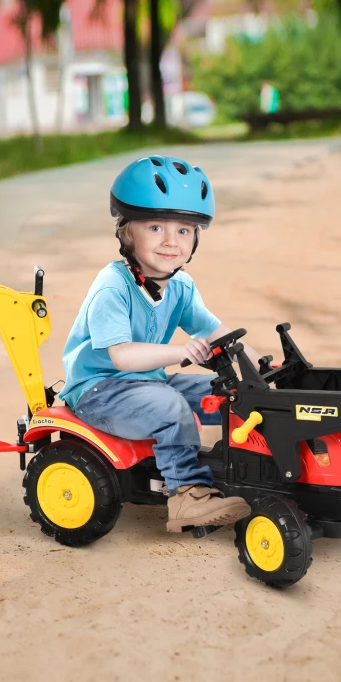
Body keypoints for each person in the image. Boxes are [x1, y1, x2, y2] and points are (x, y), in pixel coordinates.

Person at [60, 156, 261, 533]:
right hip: (99, 391)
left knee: (228, 391)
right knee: (169, 406)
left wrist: (262, 368)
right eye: (155, 227)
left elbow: (215, 329)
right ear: (126, 232)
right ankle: (187, 494)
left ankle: (251, 471)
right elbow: (121, 356)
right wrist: (181, 352)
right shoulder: (112, 287)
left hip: (149, 382)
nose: (171, 241)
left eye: (184, 230)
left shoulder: (180, 286)